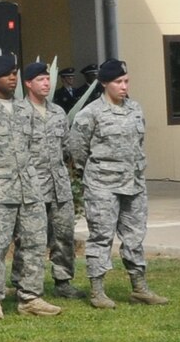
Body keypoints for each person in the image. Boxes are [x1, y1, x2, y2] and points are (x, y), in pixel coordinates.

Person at [0, 54, 60, 320]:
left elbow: (32, 149)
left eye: (15, 73)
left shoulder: (25, 110)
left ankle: (30, 296)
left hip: (28, 190)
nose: (12, 78)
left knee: (33, 243)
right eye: (7, 74)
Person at [68, 59, 169, 309]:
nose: (124, 86)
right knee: (101, 236)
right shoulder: (90, 113)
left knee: (134, 237)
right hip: (103, 185)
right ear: (104, 83)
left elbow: (138, 144)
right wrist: (93, 172)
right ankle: (97, 290)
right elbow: (77, 149)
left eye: (126, 81)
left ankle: (139, 287)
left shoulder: (135, 109)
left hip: (133, 184)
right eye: (118, 82)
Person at [25, 61, 80, 298]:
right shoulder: (19, 113)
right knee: (31, 240)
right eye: (40, 79)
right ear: (28, 83)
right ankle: (26, 284)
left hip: (59, 187)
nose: (46, 83)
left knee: (64, 235)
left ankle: (63, 281)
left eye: (48, 79)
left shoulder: (58, 112)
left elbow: (67, 148)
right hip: (32, 187)